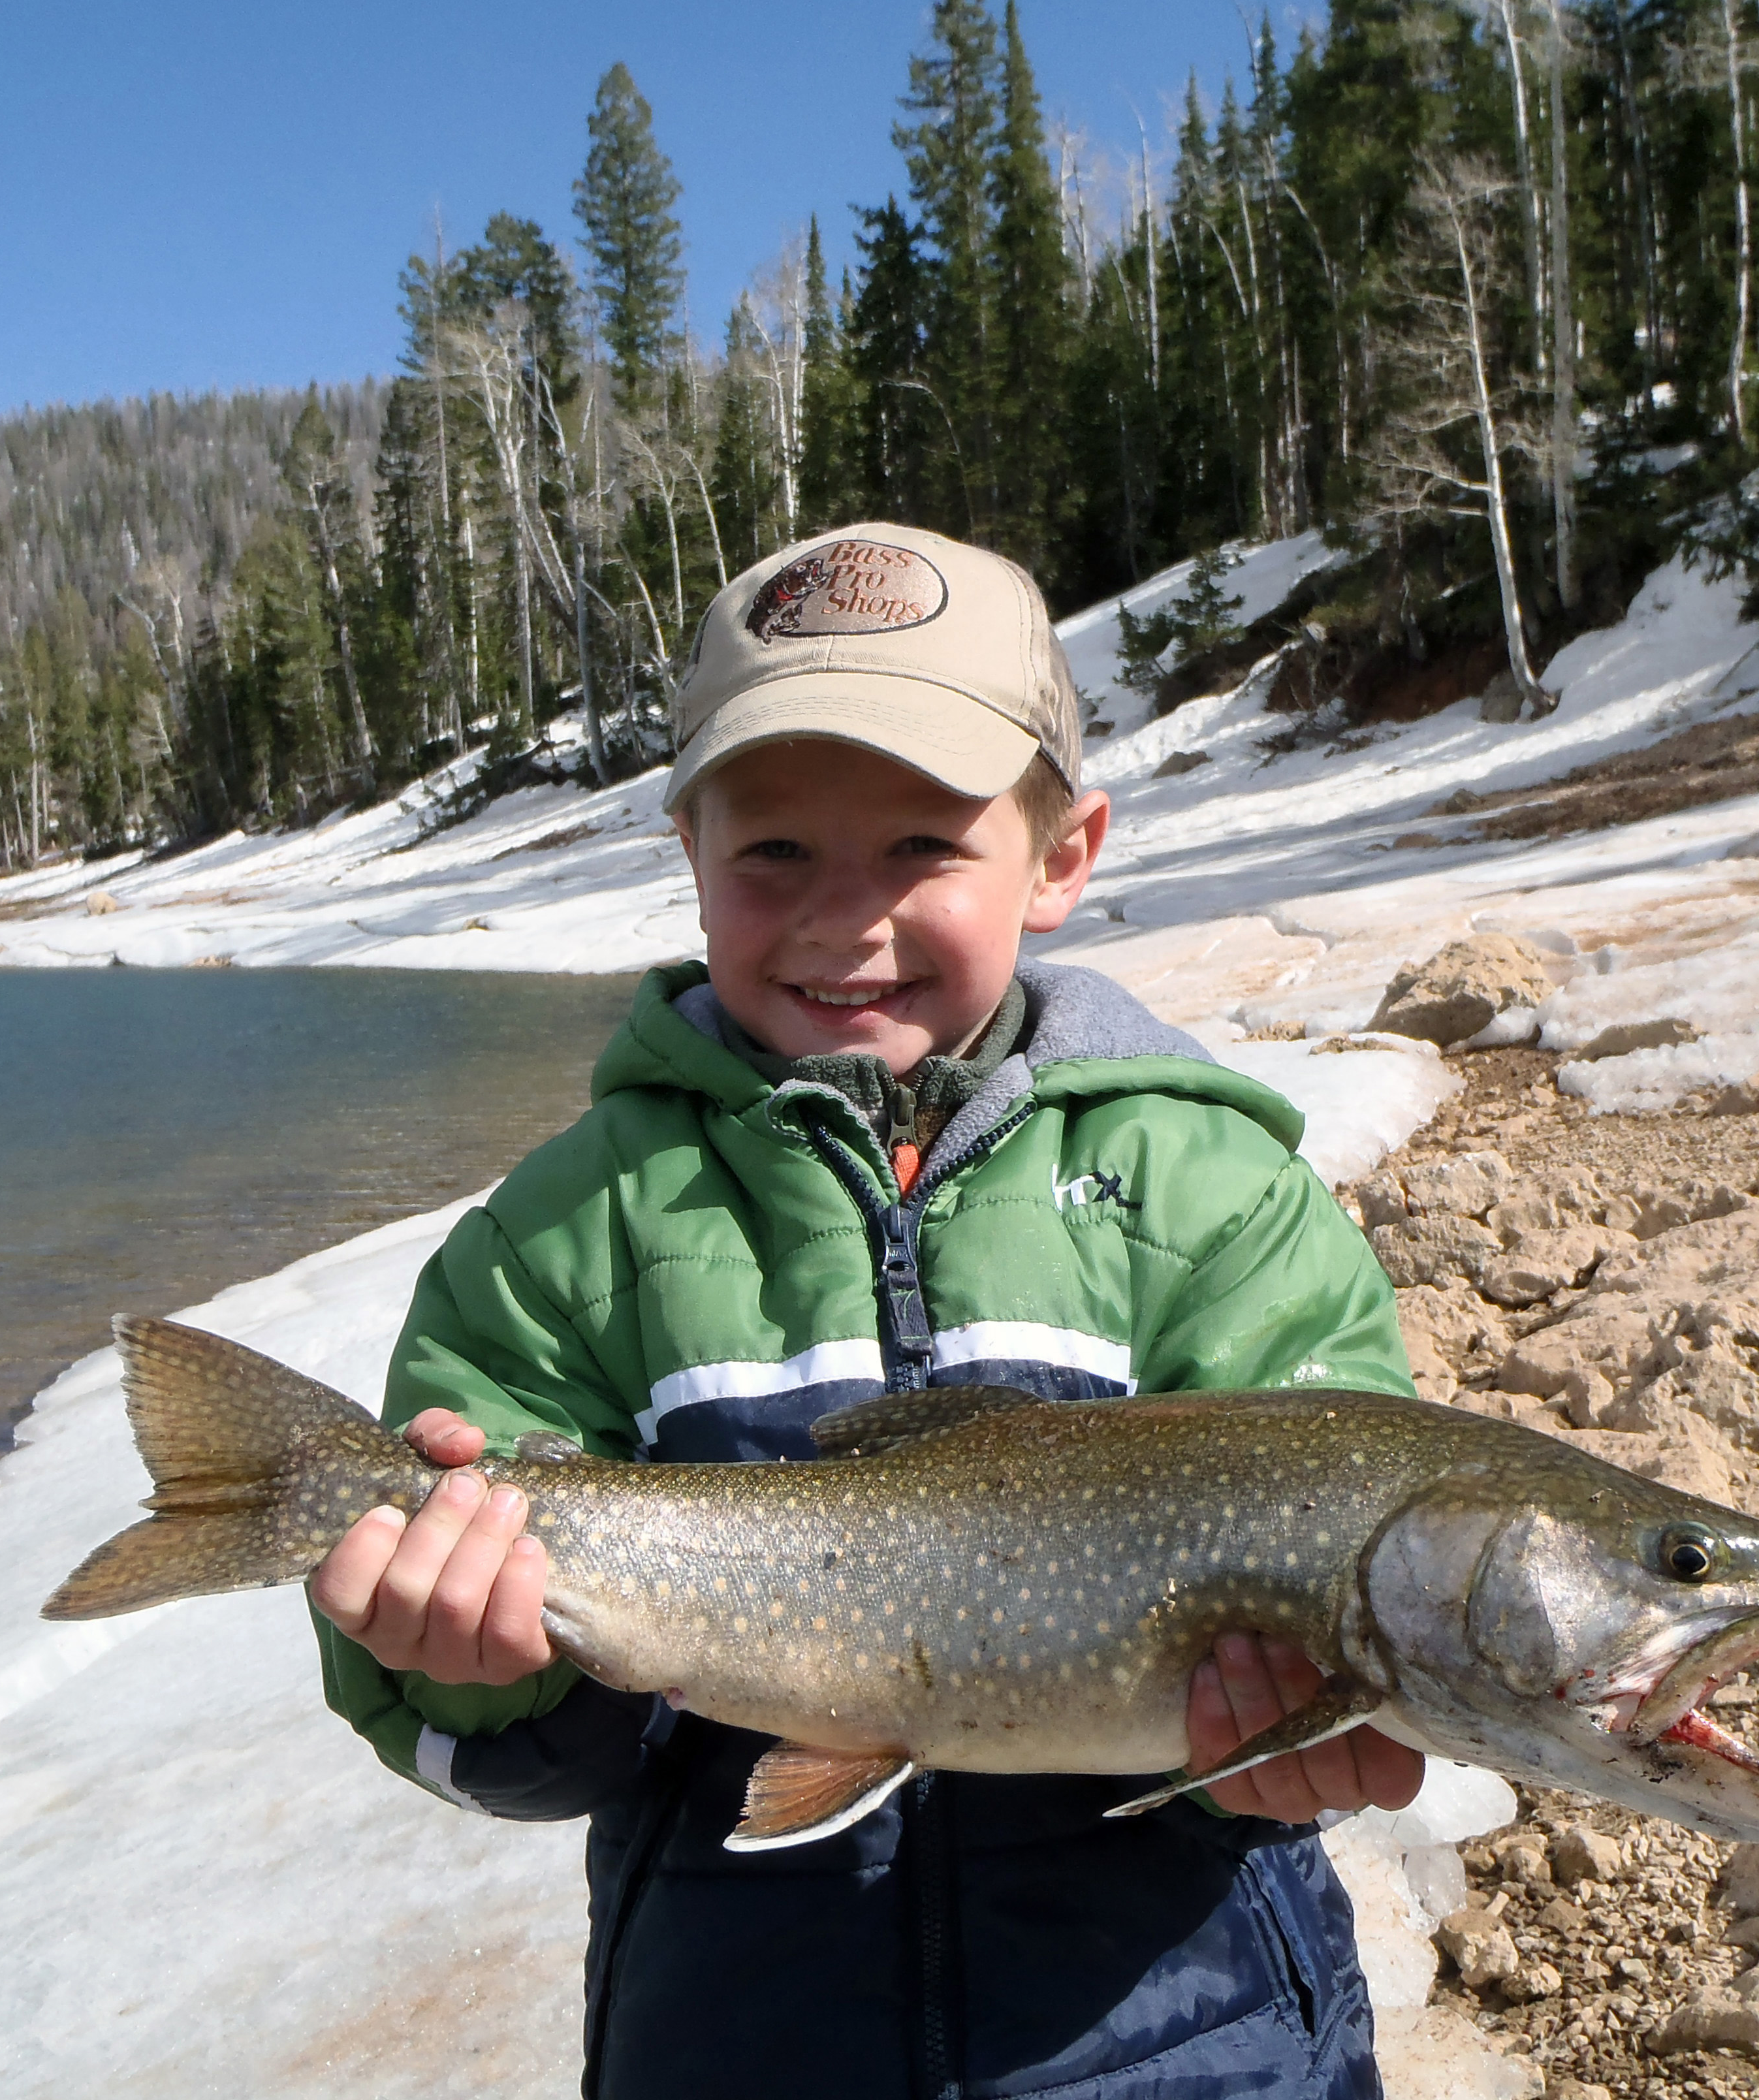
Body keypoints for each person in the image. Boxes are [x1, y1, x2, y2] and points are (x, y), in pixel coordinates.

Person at [309, 522, 1425, 2099]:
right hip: (734, 2049)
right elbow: (505, 1742)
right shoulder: (571, 1231)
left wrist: (1271, 1759)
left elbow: (1347, 1538)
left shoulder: (1214, 1199)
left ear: (1061, 857)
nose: (847, 921)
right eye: (774, 854)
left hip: (1194, 2045)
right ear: (687, 852)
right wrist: (465, 1667)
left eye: (919, 849)